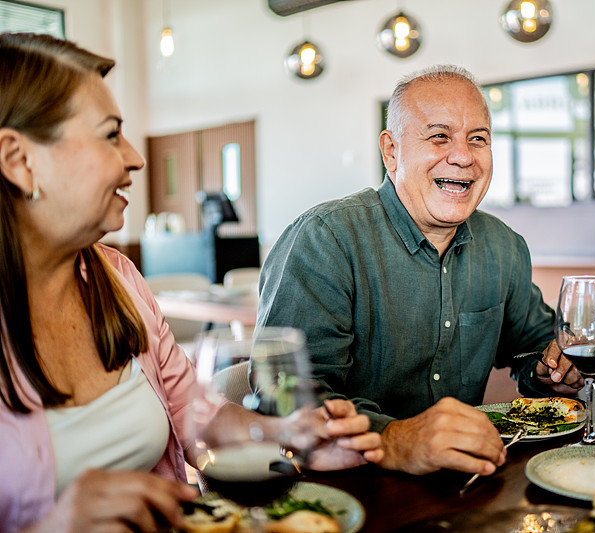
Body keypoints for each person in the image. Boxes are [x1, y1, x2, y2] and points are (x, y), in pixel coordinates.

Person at [0, 33, 382, 533]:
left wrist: (288, 434)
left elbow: (195, 418)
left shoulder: (117, 278)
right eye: (111, 134)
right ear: (19, 160)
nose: (135, 158)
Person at [257, 65, 582, 477]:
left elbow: (532, 346)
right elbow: (286, 396)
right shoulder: (326, 240)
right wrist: (393, 437)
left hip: (465, 484)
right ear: (392, 151)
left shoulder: (504, 246)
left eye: (477, 139)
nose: (463, 156)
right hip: (347, 487)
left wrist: (552, 369)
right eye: (439, 136)